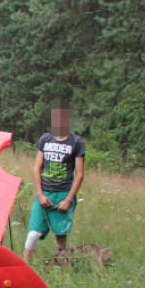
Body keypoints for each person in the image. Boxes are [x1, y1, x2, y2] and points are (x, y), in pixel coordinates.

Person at [23, 101, 85, 262]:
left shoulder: (76, 142)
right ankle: (26, 266)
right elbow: (36, 169)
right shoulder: (45, 139)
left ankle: (61, 264)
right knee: (33, 234)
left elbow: (79, 175)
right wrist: (40, 195)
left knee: (60, 235)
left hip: (63, 194)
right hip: (44, 193)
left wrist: (68, 200)